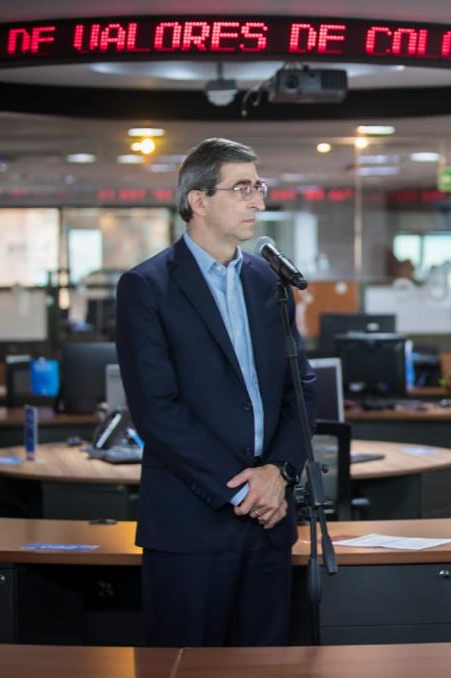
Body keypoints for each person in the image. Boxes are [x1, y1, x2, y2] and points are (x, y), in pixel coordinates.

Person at [115, 137, 317, 646]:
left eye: (259, 187)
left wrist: (279, 473)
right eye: (242, 188)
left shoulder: (266, 281)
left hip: (269, 523)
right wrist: (247, 489)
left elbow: (301, 388)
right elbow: (157, 411)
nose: (259, 201)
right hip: (192, 523)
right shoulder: (147, 286)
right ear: (198, 200)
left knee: (267, 677)